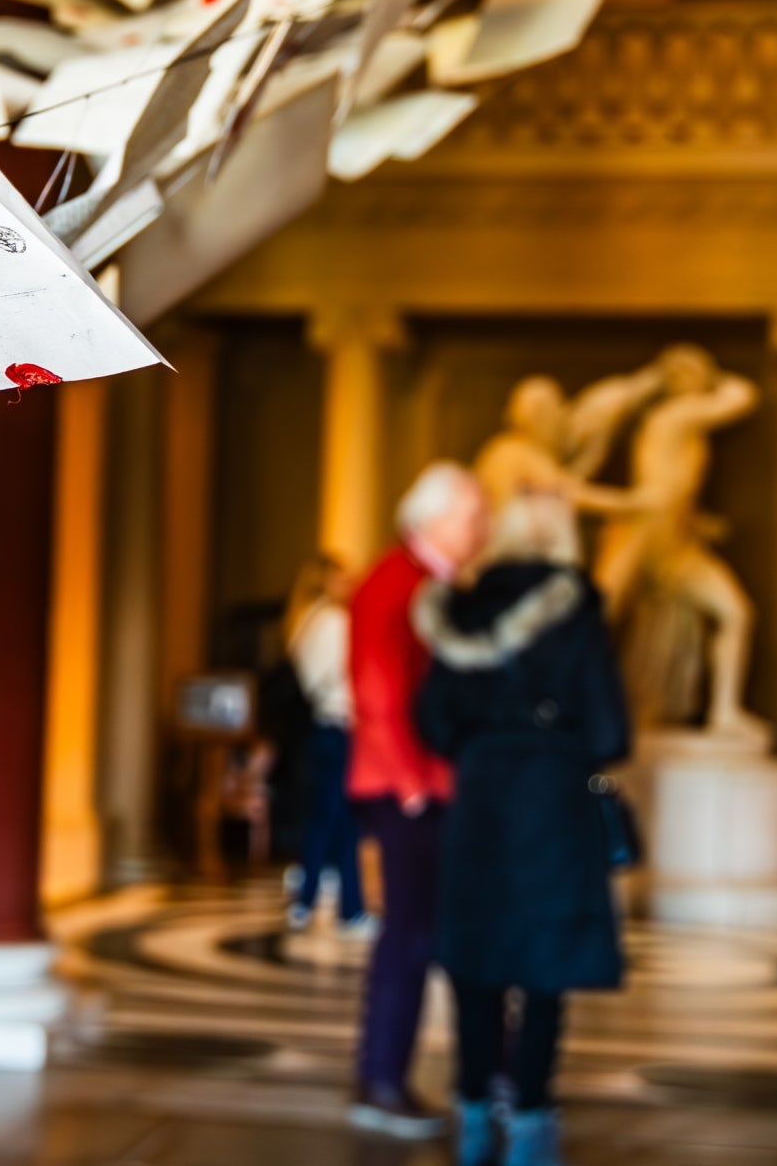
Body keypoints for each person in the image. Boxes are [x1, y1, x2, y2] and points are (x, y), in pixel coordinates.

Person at [415, 493, 631, 1166]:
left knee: (476, 962)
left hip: (480, 798)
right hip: (553, 800)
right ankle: (531, 1121)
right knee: (546, 966)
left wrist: (483, 742)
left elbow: (431, 718)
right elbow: (609, 729)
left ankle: (474, 1112)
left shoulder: (461, 609)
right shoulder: (576, 609)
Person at [344, 461, 489, 1138]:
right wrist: (411, 784)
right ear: (433, 521)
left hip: (426, 787)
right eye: (471, 516)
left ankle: (396, 1077)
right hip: (407, 790)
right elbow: (378, 691)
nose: (481, 528)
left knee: (424, 933)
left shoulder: (431, 583)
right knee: (408, 938)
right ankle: (381, 1082)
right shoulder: (393, 582)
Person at [280, 554, 368, 935]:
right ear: (327, 581)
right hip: (340, 725)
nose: (351, 585)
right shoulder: (336, 622)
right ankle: (347, 909)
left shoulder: (303, 622)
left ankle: (308, 900)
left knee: (321, 820)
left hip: (317, 729)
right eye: (344, 578)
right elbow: (353, 674)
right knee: (344, 823)